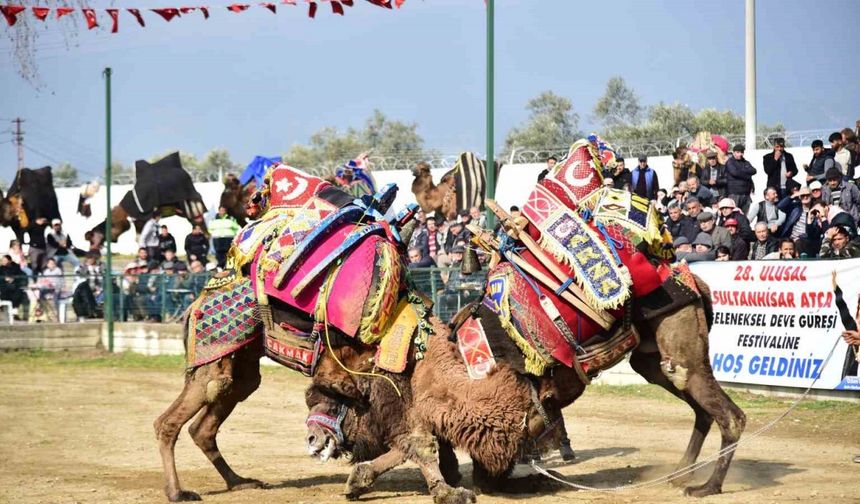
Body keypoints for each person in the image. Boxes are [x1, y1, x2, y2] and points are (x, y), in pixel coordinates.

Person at [778, 187, 816, 256]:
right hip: (791, 238)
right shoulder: (795, 207)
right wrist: (792, 196)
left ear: (811, 195)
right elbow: (780, 206)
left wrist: (799, 238)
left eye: (807, 195)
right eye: (802, 195)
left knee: (799, 243)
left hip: (806, 240)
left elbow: (813, 232)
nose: (805, 197)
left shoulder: (815, 209)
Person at [725, 144, 757, 214]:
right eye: (738, 152)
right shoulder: (730, 162)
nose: (740, 154)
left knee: (744, 215)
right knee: (733, 214)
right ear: (733, 152)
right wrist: (747, 174)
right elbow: (735, 173)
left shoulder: (746, 162)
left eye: (741, 152)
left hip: (746, 194)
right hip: (735, 194)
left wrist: (741, 171)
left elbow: (754, 170)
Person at [73, 251, 104, 320]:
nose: (89, 260)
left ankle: (94, 312)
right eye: (88, 258)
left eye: (91, 259)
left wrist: (100, 289)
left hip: (100, 289)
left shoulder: (102, 266)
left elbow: (106, 277)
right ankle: (90, 312)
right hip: (86, 289)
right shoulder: (82, 267)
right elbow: (78, 278)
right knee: (83, 288)